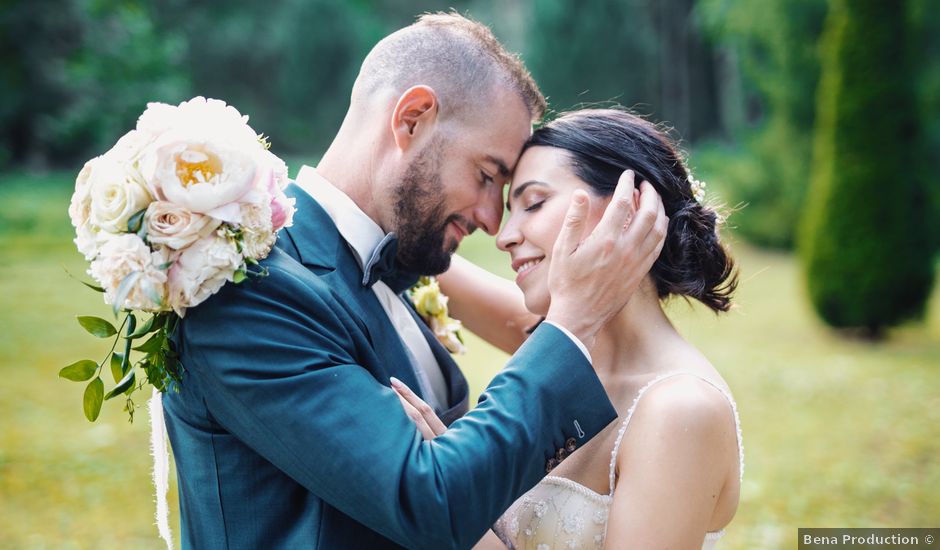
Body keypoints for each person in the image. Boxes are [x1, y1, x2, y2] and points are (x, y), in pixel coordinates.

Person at [162, 14, 669, 550]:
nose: (493, 222)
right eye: (486, 176)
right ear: (412, 119)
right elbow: (428, 501)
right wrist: (571, 322)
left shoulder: (398, 262)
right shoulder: (252, 288)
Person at [394, 108, 742, 549]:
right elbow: (422, 258)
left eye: (534, 203)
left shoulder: (680, 410)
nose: (503, 236)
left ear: (628, 207)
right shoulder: (559, 344)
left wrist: (451, 495)